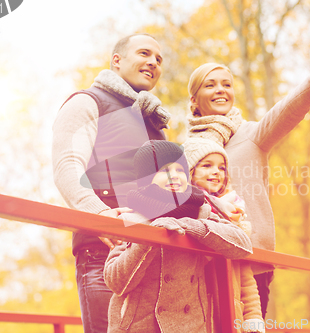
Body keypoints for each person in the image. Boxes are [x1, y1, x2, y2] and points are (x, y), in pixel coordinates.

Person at [185, 35, 310, 317]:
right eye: (210, 84)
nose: (220, 90)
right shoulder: (185, 150)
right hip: (199, 262)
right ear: (194, 99)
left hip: (251, 261)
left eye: (226, 84)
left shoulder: (252, 135)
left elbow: (291, 107)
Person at [52, 33, 169, 332]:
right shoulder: (86, 101)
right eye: (144, 53)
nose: (153, 62)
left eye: (158, 59)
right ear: (117, 61)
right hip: (104, 252)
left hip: (155, 255)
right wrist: (100, 214)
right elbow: (67, 165)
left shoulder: (154, 123)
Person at [103, 140, 253, 332]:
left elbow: (242, 244)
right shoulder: (131, 217)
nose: (174, 176)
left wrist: (191, 226)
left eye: (180, 170)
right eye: (164, 170)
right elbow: (116, 281)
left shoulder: (201, 212)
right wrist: (152, 236)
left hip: (192, 325)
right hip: (139, 326)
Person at [183, 137, 266, 333]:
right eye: (207, 165)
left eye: (221, 167)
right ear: (189, 171)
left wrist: (253, 316)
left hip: (229, 313)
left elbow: (245, 275)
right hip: (193, 311)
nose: (216, 172)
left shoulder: (234, 216)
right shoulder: (182, 210)